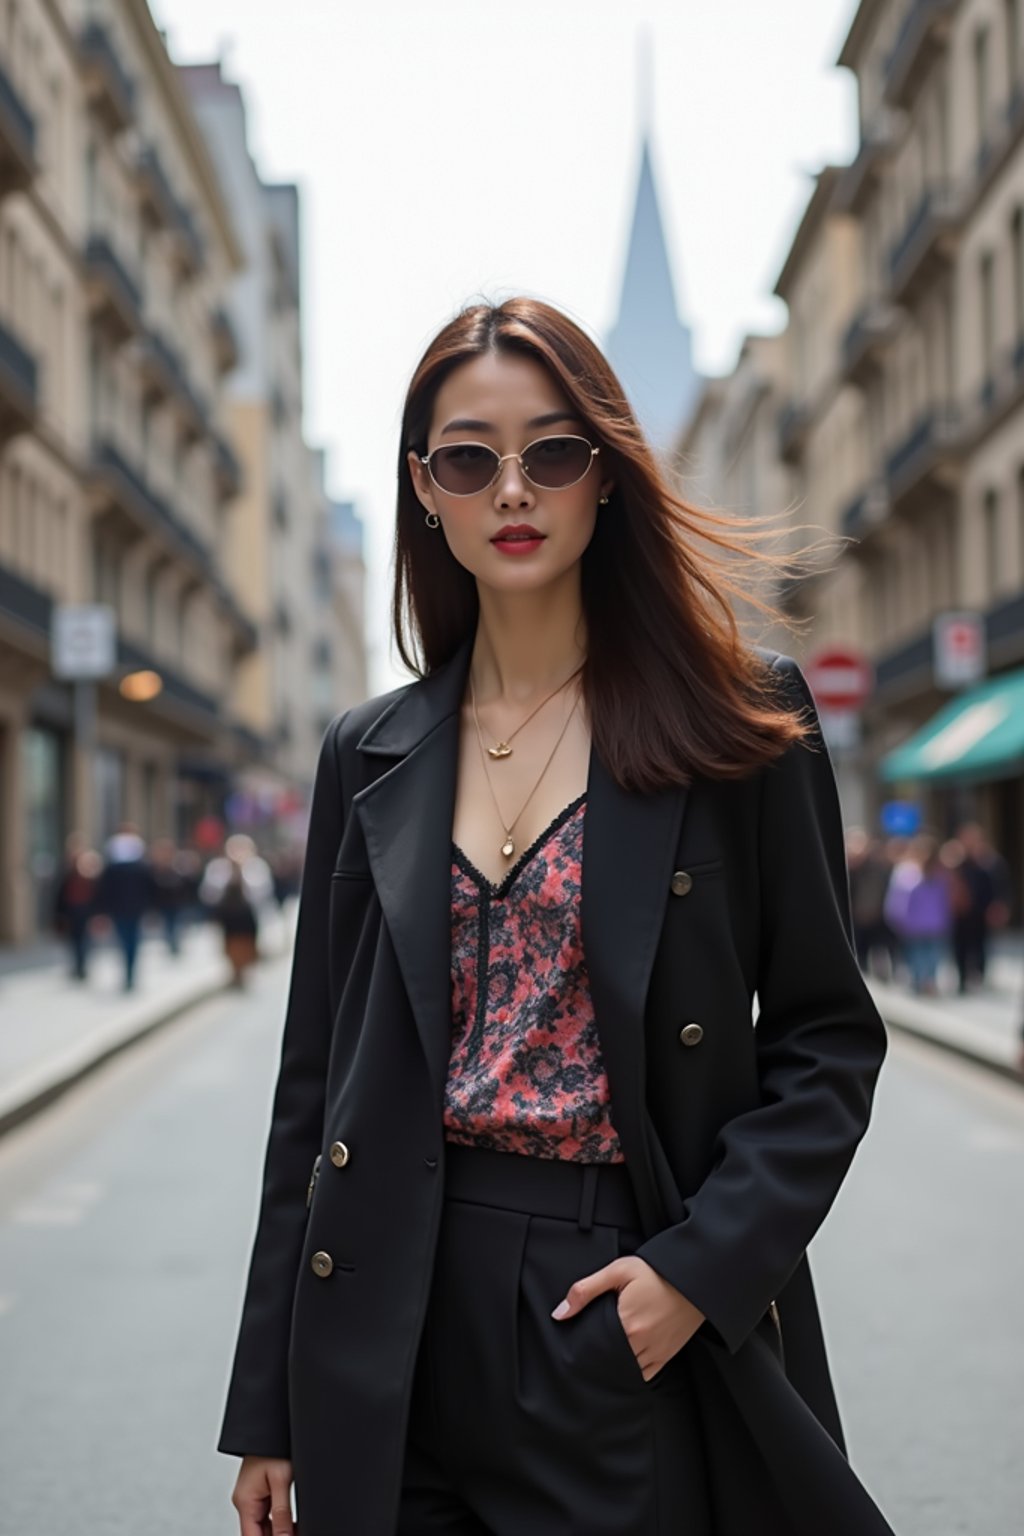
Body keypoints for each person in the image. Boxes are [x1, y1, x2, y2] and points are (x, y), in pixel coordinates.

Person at [217, 297, 895, 1536]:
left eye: (554, 452)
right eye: (471, 458)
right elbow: (311, 1094)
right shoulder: (368, 752)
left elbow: (826, 1038)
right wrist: (265, 1401)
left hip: (605, 1290)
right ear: (427, 490)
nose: (512, 490)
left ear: (606, 476)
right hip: (385, 1314)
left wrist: (694, 1276)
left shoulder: (733, 723)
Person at [882, 833, 953, 995]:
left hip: (915, 924)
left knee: (918, 955)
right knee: (930, 955)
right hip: (933, 923)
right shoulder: (939, 873)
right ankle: (927, 982)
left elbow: (897, 901)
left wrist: (895, 919)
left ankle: (922, 982)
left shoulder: (906, 871)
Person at [92, 823, 155, 992]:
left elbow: (104, 889)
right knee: (131, 941)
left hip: (122, 909)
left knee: (126, 941)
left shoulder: (116, 867)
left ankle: (129, 973)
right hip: (130, 909)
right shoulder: (138, 866)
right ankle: (129, 973)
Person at [214, 860, 261, 988]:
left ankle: (238, 977)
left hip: (237, 936)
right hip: (238, 936)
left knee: (237, 959)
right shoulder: (243, 904)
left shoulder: (231, 904)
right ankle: (238, 977)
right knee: (238, 959)